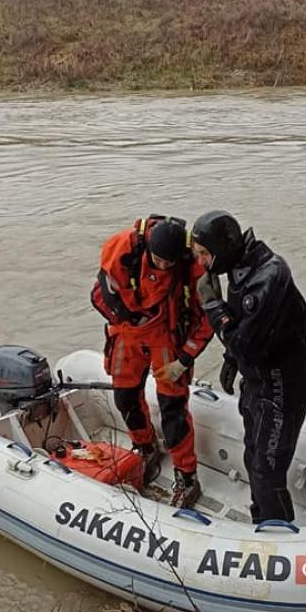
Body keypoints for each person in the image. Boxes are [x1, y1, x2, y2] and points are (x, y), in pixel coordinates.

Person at [191, 210, 306, 524]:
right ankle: (262, 522)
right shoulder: (238, 270)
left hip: (282, 387)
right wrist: (232, 361)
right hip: (256, 382)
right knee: (251, 455)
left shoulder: (268, 276)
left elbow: (245, 342)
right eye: (197, 255)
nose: (202, 263)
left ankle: (283, 543)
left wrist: (213, 307)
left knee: (266, 472)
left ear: (223, 247)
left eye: (205, 254)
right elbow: (247, 331)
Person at [90, 215, 213, 507]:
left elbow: (208, 318)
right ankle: (145, 447)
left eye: (171, 262)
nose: (165, 266)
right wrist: (125, 316)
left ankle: (186, 476)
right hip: (127, 333)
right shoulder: (123, 249)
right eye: (160, 260)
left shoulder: (192, 267)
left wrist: (183, 360)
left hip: (167, 337)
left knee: (173, 409)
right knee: (125, 398)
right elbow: (101, 292)